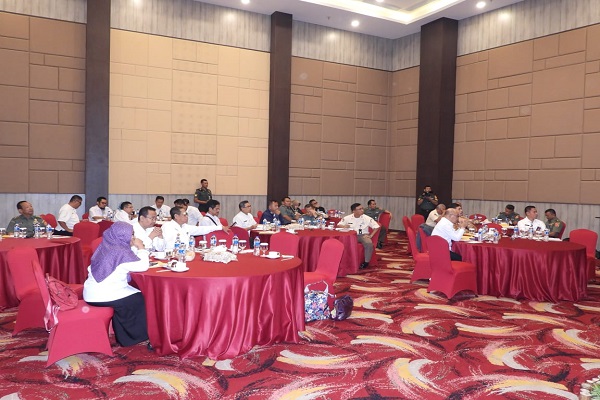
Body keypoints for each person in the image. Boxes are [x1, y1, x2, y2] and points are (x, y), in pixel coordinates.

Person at [83, 222, 150, 347]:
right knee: (140, 298)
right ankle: (132, 337)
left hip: (91, 292)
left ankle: (124, 334)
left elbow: (129, 259)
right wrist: (141, 248)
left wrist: (134, 247)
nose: (133, 237)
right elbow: (143, 266)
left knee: (134, 293)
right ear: (122, 236)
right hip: (103, 295)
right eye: (131, 234)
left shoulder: (106, 246)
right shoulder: (121, 252)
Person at [161, 206, 229, 250]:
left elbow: (201, 229)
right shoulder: (167, 226)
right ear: (176, 216)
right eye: (184, 215)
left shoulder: (185, 226)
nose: (187, 217)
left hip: (186, 253)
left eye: (187, 214)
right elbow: (166, 245)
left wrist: (220, 227)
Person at [338, 203, 380, 270]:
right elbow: (339, 224)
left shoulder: (366, 218)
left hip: (362, 235)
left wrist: (371, 235)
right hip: (350, 235)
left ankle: (366, 262)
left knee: (369, 244)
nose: (362, 210)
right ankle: (344, 261)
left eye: (362, 208)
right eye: (360, 209)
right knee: (341, 242)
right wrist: (344, 226)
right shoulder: (347, 218)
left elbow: (376, 226)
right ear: (354, 211)